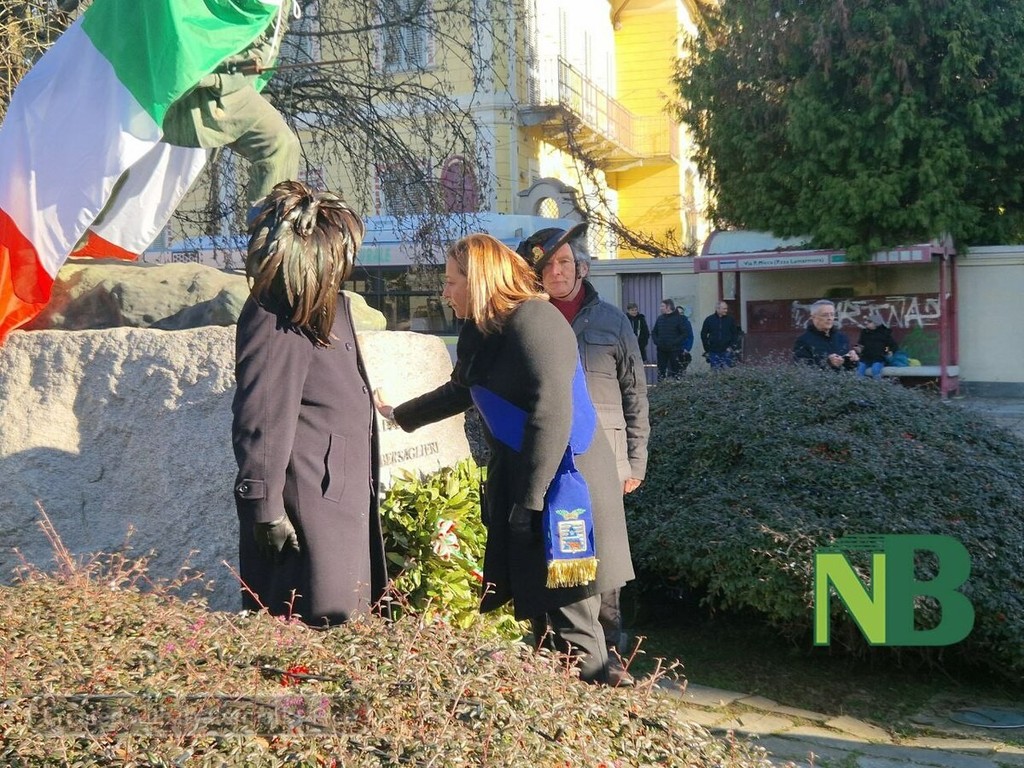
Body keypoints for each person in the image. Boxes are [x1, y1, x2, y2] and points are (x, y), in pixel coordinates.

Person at [377, 233, 635, 685]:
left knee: (572, 621)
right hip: (529, 484)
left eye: (451, 281)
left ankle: (595, 707)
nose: (445, 292)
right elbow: (462, 388)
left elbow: (552, 413)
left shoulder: (536, 319)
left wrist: (529, 502)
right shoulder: (483, 329)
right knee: (540, 612)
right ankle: (555, 708)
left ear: (478, 279)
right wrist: (400, 415)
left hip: (564, 488)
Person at [231, 180, 389, 627]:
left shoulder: (323, 305)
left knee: (346, 631)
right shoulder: (276, 312)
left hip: (334, 500)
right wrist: (264, 508)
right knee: (312, 632)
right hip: (305, 510)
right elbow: (261, 415)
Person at [516, 224, 650, 686]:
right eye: (547, 265)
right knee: (550, 555)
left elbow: (635, 393)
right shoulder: (527, 319)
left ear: (581, 268)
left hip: (603, 462)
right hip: (547, 461)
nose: (557, 271)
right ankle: (552, 651)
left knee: (604, 564)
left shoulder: (611, 321)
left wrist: (636, 461)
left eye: (565, 262)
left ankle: (608, 656)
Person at [162, 1, 300, 205]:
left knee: (281, 144)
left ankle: (269, 221)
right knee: (279, 144)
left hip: (227, 83)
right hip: (193, 79)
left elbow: (264, 43)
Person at [794, 300, 860, 371]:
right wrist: (827, 363)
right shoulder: (803, 341)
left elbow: (849, 369)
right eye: (825, 315)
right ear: (813, 317)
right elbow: (803, 369)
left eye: (832, 314)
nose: (830, 318)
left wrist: (853, 360)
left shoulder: (842, 337)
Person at [650, 298, 689, 380]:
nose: (660, 308)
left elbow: (685, 334)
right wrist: (657, 342)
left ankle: (674, 386)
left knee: (675, 372)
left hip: (674, 350)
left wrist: (674, 342)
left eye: (662, 306)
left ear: (668, 307)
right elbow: (654, 332)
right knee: (661, 371)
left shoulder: (679, 319)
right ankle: (661, 386)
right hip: (661, 350)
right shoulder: (660, 318)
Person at [856, 312, 898, 381]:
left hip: (879, 357)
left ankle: (877, 386)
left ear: (875, 323)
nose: (866, 323)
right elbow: (861, 344)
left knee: (875, 369)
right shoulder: (865, 332)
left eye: (869, 322)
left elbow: (892, 345)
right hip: (866, 357)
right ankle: (859, 385)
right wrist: (859, 349)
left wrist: (888, 351)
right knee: (859, 370)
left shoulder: (884, 333)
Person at [701, 301, 741, 370]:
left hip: (727, 350)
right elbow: (703, 334)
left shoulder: (730, 320)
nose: (726, 310)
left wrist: (731, 347)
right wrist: (707, 348)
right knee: (715, 371)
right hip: (713, 351)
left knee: (727, 372)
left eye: (726, 308)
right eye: (724, 309)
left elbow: (735, 334)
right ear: (717, 309)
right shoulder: (709, 320)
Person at [675, 305, 695, 373]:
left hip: (683, 351)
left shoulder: (687, 323)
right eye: (678, 313)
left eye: (681, 313)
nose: (680, 315)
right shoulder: (671, 323)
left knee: (682, 371)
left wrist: (687, 349)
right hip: (673, 351)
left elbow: (690, 337)